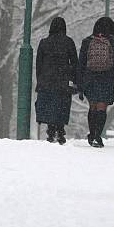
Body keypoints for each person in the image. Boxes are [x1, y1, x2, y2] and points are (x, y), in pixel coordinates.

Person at [77, 16, 114, 148]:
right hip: (108, 78)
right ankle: (98, 135)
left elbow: (81, 64)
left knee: (92, 106)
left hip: (90, 78)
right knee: (102, 106)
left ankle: (92, 134)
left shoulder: (87, 42)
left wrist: (80, 84)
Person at [35, 17, 79, 145]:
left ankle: (50, 130)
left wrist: (40, 80)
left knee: (49, 106)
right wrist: (75, 80)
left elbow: (39, 64)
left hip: (47, 80)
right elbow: (75, 63)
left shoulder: (44, 43)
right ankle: (60, 130)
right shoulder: (68, 42)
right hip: (63, 80)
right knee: (62, 105)